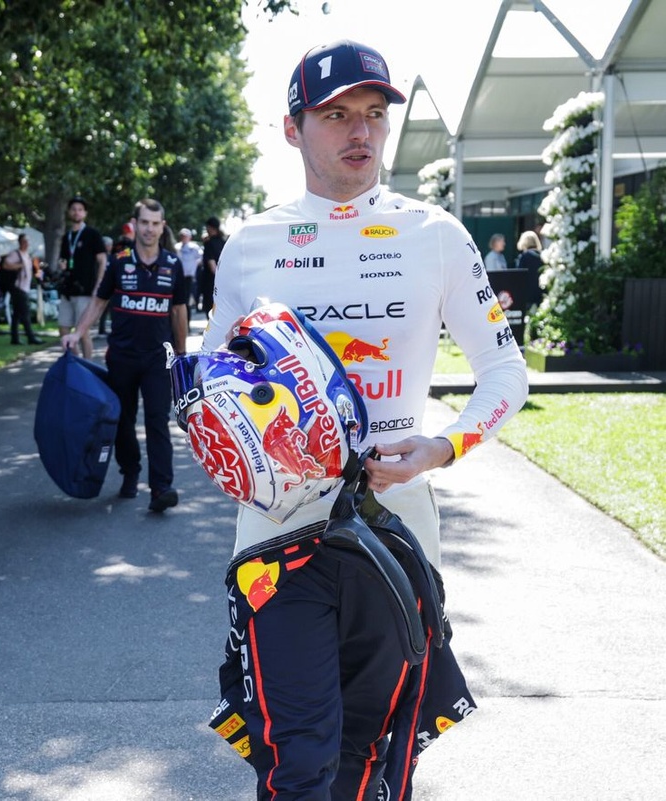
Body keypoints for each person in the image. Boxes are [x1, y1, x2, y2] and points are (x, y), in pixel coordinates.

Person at [201, 40, 528, 799]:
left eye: (376, 114)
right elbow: (212, 387)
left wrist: (440, 448)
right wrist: (231, 444)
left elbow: (506, 372)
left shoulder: (435, 235)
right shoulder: (250, 245)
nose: (362, 131)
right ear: (292, 129)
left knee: (379, 756)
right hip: (278, 532)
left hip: (397, 527)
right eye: (337, 114)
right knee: (296, 756)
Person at [61, 198, 189, 512]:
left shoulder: (173, 264)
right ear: (135, 224)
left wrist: (182, 354)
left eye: (155, 224)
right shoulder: (118, 262)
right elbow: (99, 301)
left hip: (157, 358)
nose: (149, 229)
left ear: (162, 226)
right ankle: (130, 473)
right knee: (123, 421)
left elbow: (178, 311)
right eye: (144, 222)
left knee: (158, 421)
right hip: (122, 357)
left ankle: (161, 488)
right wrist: (77, 332)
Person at [56, 196, 108, 360]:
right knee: (63, 329)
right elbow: (64, 259)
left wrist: (98, 285)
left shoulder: (92, 234)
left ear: (85, 213)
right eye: (73, 209)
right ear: (69, 212)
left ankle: (87, 365)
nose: (76, 212)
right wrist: (62, 265)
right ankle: (76, 362)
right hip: (67, 291)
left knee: (83, 331)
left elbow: (102, 260)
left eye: (80, 210)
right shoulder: (66, 237)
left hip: (85, 290)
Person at [2, 233, 43, 345]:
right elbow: (5, 265)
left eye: (27, 241)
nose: (26, 244)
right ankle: (30, 337)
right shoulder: (15, 254)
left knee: (17, 314)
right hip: (18, 287)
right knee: (25, 312)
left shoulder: (27, 255)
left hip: (25, 287)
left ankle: (15, 338)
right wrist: (19, 266)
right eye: (24, 241)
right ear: (20, 242)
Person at [199, 216, 224, 313]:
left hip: (210, 282)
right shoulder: (224, 242)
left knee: (210, 311)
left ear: (210, 227)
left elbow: (212, 265)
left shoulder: (209, 244)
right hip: (223, 282)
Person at [177, 226, 203, 313]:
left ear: (189, 237)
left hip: (190, 275)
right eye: (182, 236)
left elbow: (200, 257)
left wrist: (195, 265)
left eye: (185, 236)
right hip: (180, 276)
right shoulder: (177, 247)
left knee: (190, 295)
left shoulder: (194, 247)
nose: (183, 238)